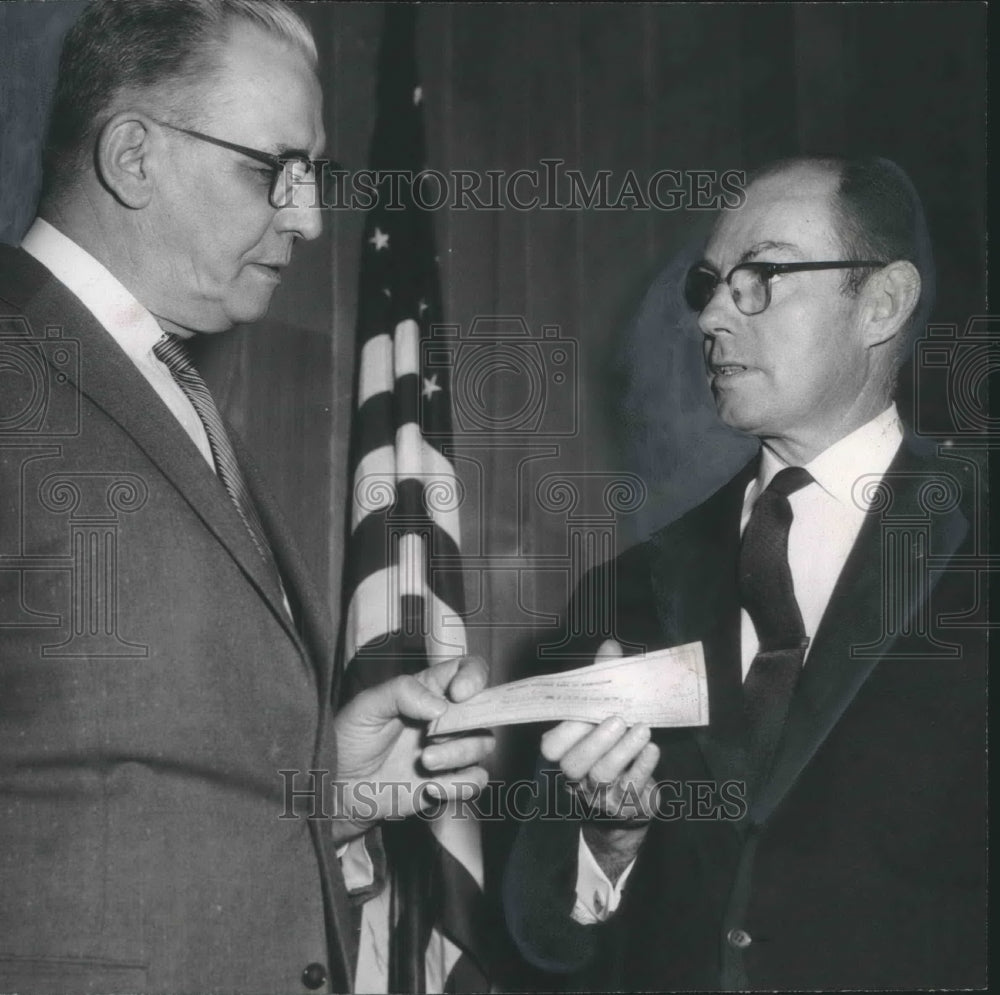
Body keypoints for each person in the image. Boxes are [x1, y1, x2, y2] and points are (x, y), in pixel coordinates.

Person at [0, 2, 492, 993]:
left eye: (316, 175)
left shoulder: (166, 384)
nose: (308, 217)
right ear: (132, 156)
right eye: (272, 169)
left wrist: (333, 793)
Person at [503, 156, 986, 989]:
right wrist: (608, 842)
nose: (713, 316)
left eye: (760, 275)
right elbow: (546, 938)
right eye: (711, 283)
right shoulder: (626, 593)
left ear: (882, 302)